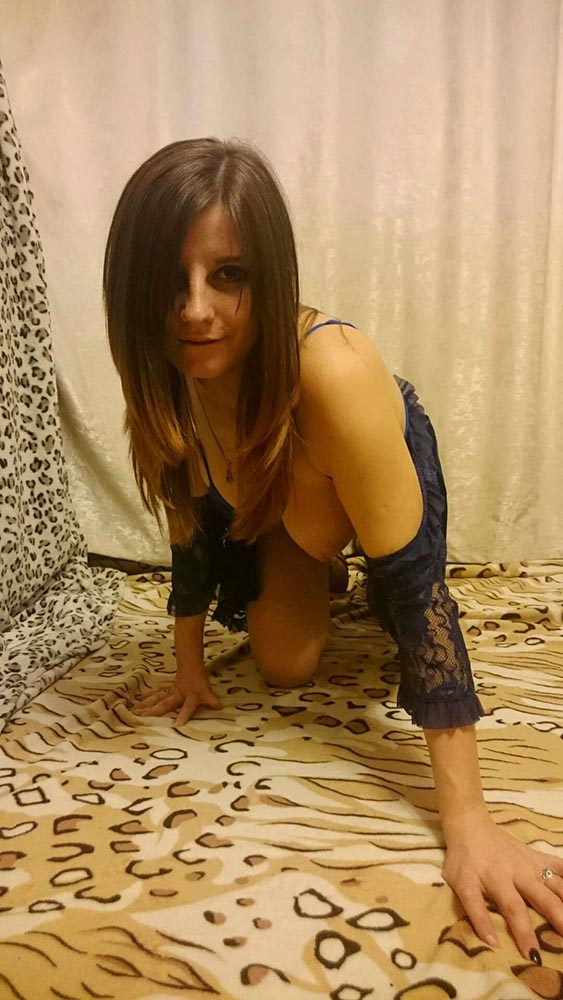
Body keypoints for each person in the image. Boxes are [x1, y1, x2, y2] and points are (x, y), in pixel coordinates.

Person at [103, 137, 562, 963]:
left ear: (271, 277)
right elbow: (187, 528)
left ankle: (330, 538)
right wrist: (189, 667)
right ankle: (316, 555)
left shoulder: (334, 371)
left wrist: (467, 822)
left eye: (228, 275)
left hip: (354, 461)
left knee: (386, 593)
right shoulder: (169, 368)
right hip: (276, 497)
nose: (195, 310)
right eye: (169, 282)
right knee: (283, 662)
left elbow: (417, 585)